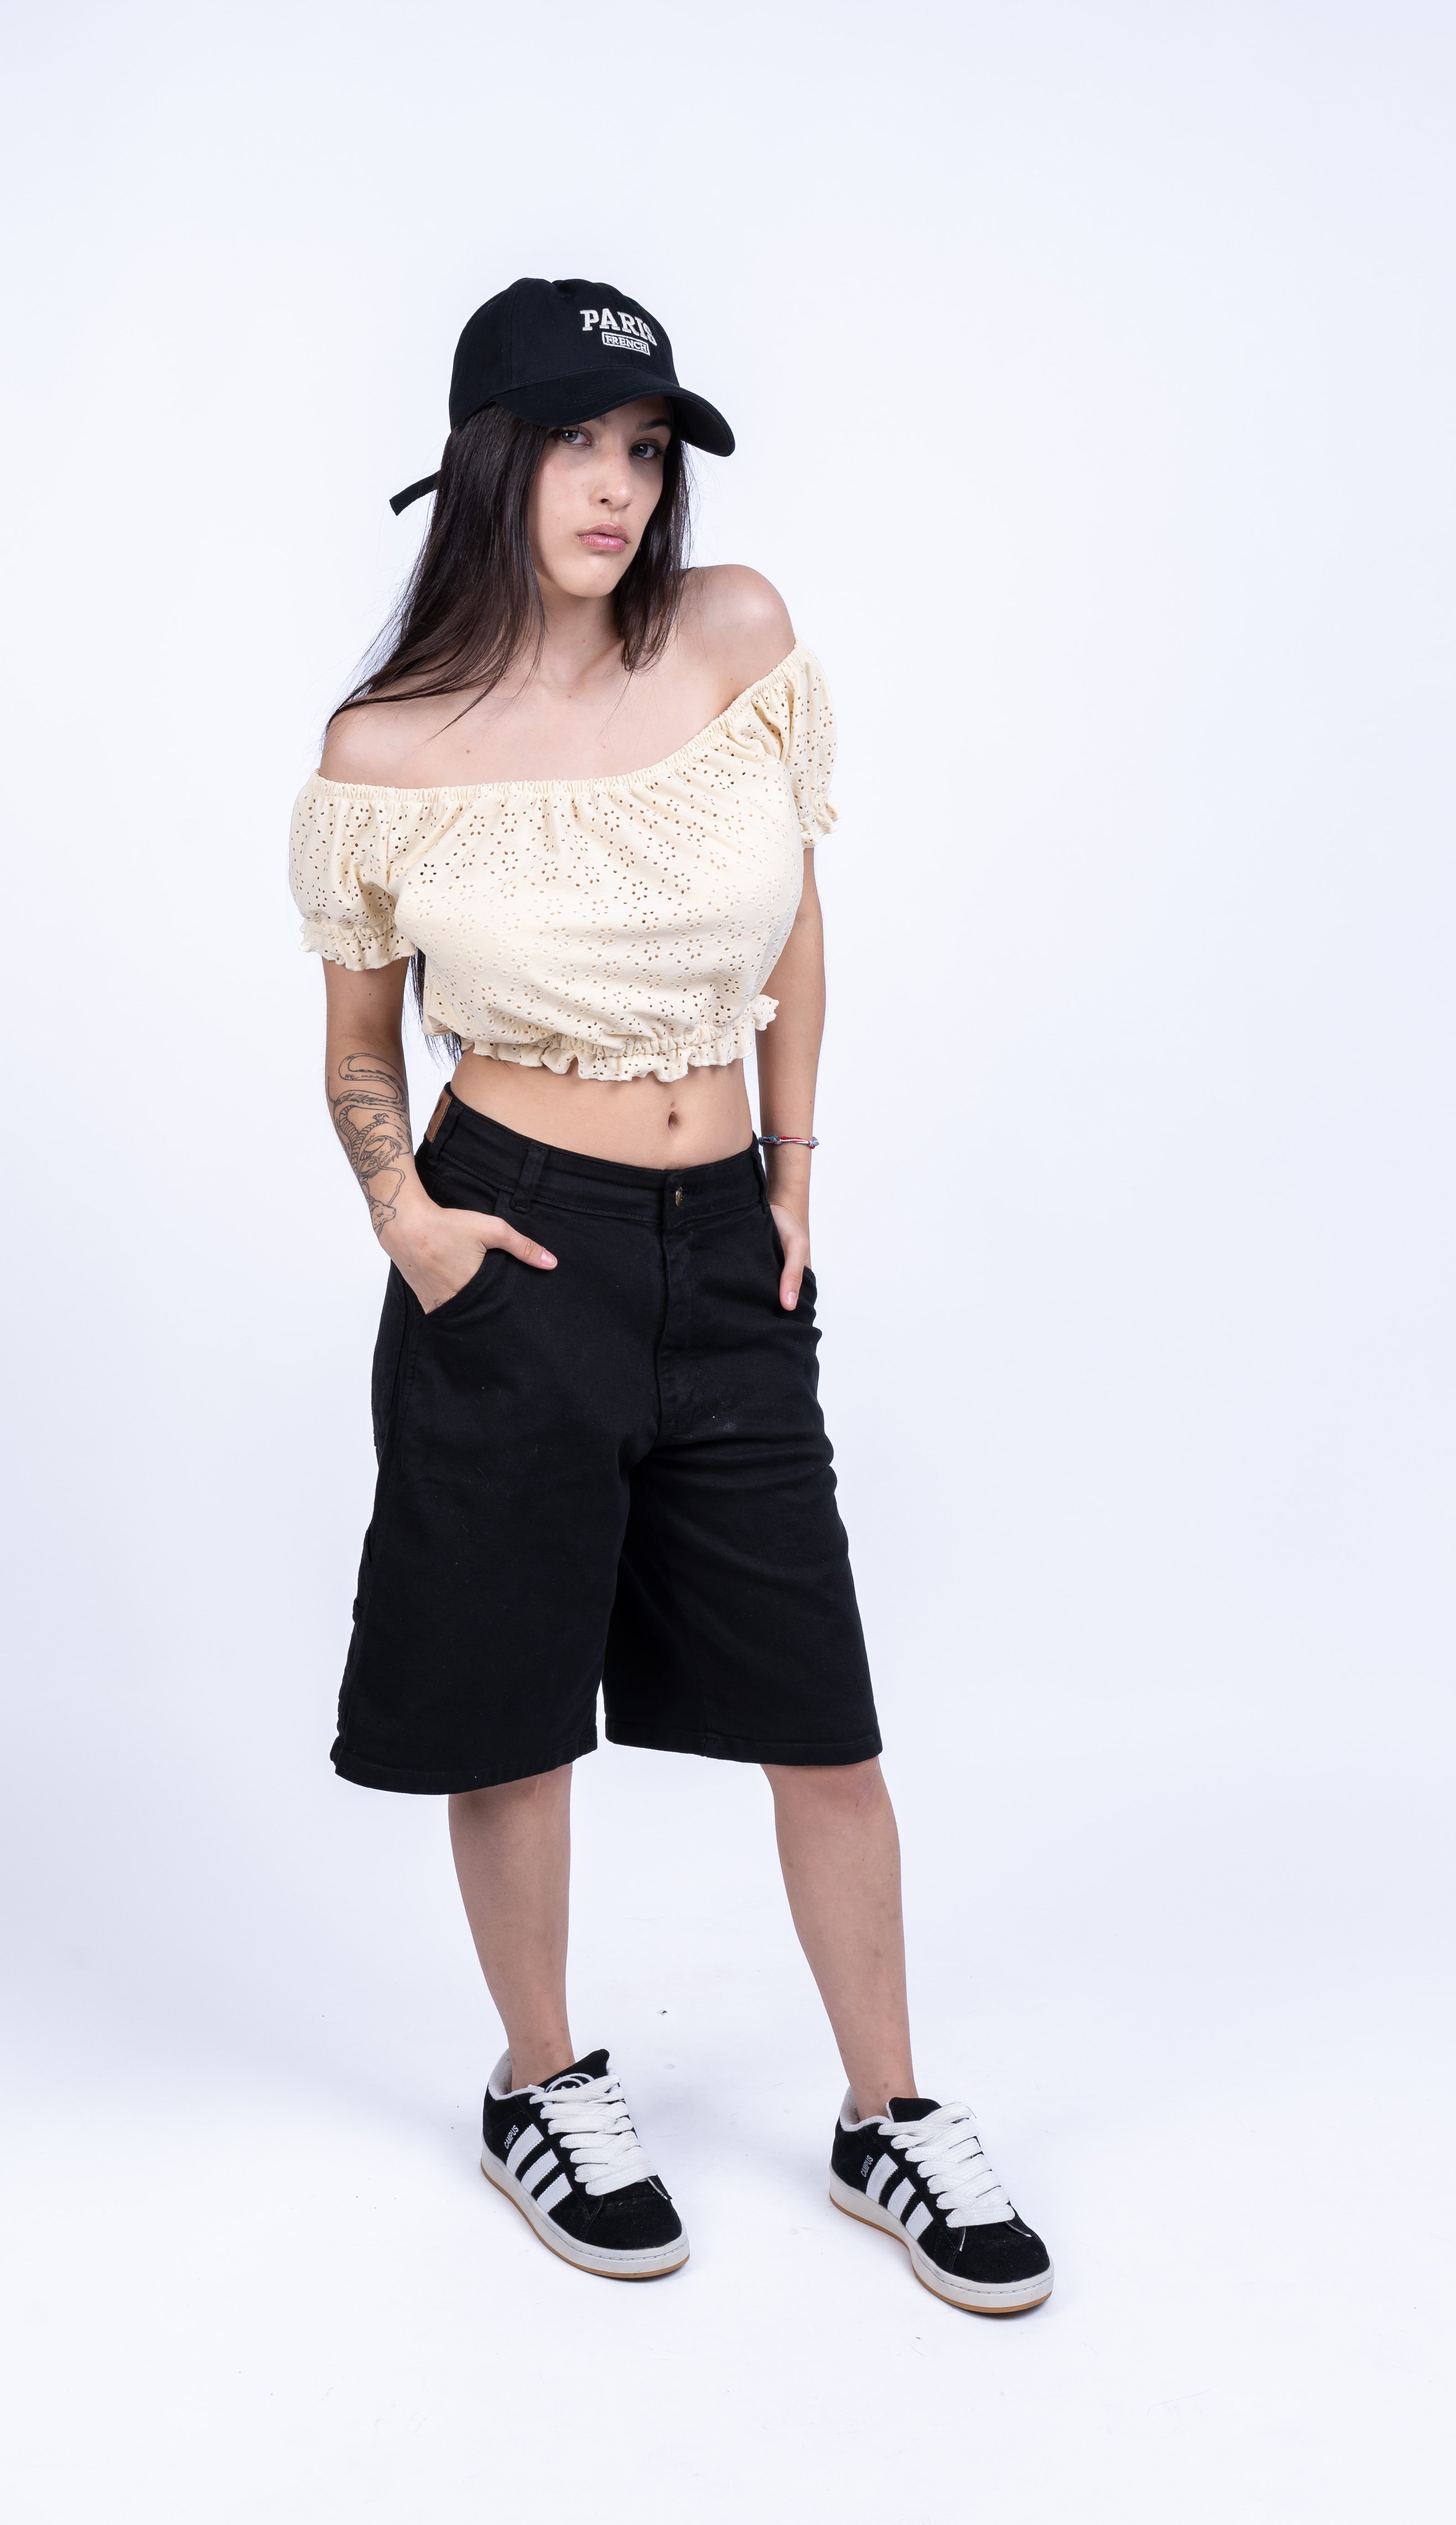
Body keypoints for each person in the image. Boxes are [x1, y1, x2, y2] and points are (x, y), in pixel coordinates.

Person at [288, 277, 1052, 2312]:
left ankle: (889, 2112)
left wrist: (790, 1176)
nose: (617, 487)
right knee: (513, 1709)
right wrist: (411, 1222)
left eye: (643, 449)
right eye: (576, 443)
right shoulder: (389, 745)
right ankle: (540, 2079)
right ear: (487, 462)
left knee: (823, 1712)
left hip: (723, 1245)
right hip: (509, 1237)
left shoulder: (736, 639)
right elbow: (358, 1046)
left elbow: (798, 933)